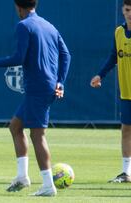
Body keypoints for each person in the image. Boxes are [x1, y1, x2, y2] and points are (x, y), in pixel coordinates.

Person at [0, 0, 71, 196]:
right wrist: (60, 82)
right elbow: (66, 55)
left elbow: (19, 58)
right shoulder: (48, 25)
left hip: (38, 88)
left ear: (18, 7)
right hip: (44, 86)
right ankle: (22, 176)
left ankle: (49, 185)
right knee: (15, 126)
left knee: (37, 135)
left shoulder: (24, 25)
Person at [90, 0, 131, 183]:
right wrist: (100, 75)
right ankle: (127, 172)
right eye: (128, 9)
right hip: (127, 93)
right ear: (123, 10)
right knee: (126, 131)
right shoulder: (119, 32)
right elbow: (114, 56)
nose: (130, 13)